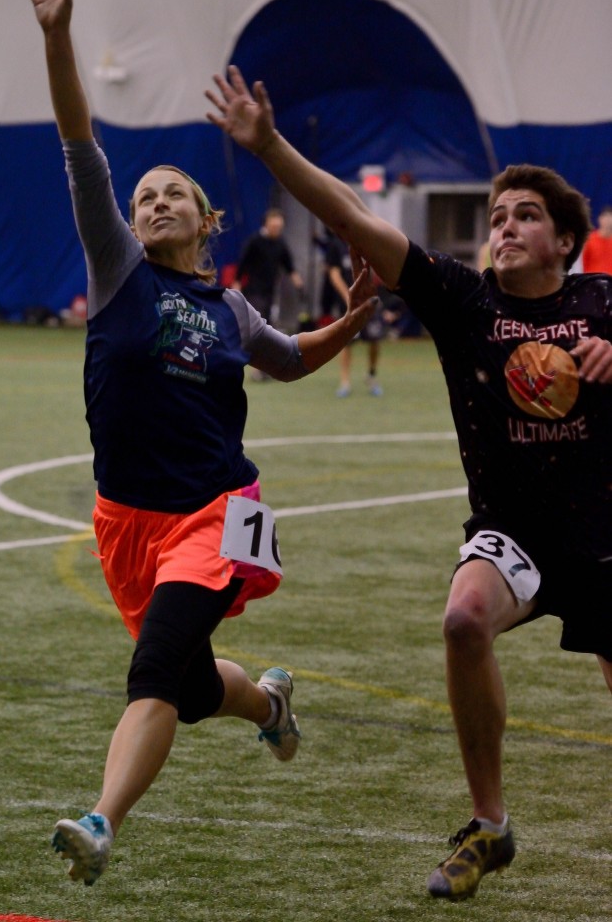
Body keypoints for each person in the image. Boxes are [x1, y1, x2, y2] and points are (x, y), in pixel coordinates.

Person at [205, 65, 612, 901]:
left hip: (606, 527)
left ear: (564, 241)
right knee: (464, 616)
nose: (505, 226)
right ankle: (489, 826)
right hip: (517, 529)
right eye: (497, 216)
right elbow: (351, 212)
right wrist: (268, 142)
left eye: (526, 215)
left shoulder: (606, 301)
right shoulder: (464, 301)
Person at [17, 0, 379, 887]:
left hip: (218, 514)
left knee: (155, 672)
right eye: (142, 199)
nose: (153, 203)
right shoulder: (119, 275)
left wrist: (355, 320)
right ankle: (268, 706)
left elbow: (291, 358)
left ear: (206, 218)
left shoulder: (231, 310)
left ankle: (101, 820)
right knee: (184, 679)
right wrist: (59, 35)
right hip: (125, 522)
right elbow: (79, 146)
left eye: (171, 193)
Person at [322, 229, 386, 397]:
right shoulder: (336, 246)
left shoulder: (365, 243)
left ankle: (371, 376)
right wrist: (348, 297)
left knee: (374, 339)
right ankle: (345, 382)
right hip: (348, 304)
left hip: (369, 300)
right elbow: (334, 275)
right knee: (346, 342)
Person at [233, 207, 304, 324]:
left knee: (268, 321)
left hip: (270, 289)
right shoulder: (255, 241)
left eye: (279, 228)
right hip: (254, 289)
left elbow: (289, 266)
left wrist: (299, 284)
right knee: (257, 318)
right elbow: (243, 263)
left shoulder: (280, 243)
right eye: (274, 227)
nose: (277, 230)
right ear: (266, 224)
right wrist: (237, 283)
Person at [581, 205, 612, 274]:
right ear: (599, 219)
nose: (608, 221)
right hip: (592, 280)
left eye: (610, 217)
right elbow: (582, 263)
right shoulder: (589, 240)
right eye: (606, 217)